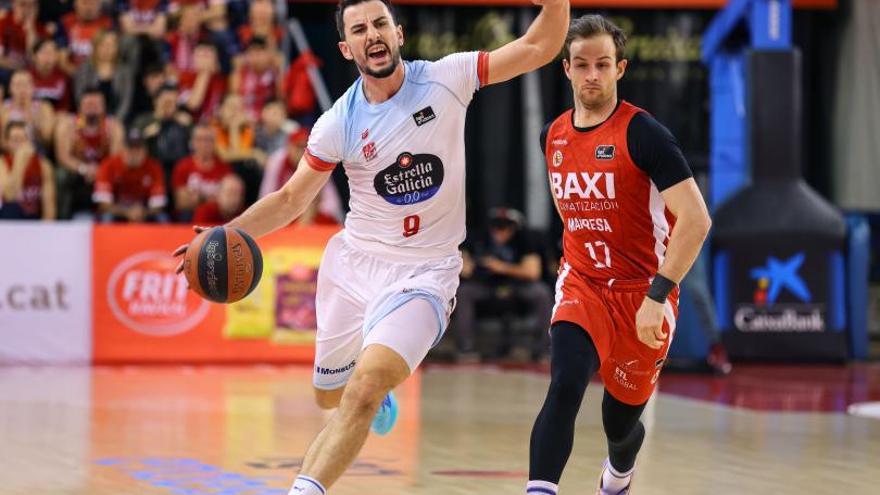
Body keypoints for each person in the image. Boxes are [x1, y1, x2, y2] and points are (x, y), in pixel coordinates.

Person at [173, 1, 570, 495]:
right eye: (359, 29)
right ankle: (374, 391)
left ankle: (308, 484)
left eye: (380, 24)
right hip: (355, 267)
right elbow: (292, 198)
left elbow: (538, 46)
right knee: (328, 397)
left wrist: (557, 3)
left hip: (425, 273)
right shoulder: (338, 121)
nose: (372, 35)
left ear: (399, 33)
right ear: (346, 47)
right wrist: (224, 234)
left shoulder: (447, 78)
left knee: (360, 392)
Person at [526, 15, 712, 495]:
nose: (592, 74)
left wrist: (659, 293)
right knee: (565, 383)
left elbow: (696, 220)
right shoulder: (552, 135)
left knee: (620, 421)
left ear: (620, 68)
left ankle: (619, 476)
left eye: (603, 64)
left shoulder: (645, 134)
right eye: (582, 64)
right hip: (583, 284)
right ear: (565, 68)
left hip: (643, 293)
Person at [450, 207, 553, 362]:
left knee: (541, 293)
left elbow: (533, 272)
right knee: (464, 292)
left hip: (517, 286)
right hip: (486, 285)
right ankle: (465, 349)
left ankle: (544, 350)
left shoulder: (524, 239)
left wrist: (500, 266)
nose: (501, 231)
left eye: (506, 227)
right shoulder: (479, 238)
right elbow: (463, 267)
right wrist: (476, 266)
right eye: (497, 226)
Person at [54, 88, 124, 218]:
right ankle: (61, 218)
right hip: (77, 171)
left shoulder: (113, 126)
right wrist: (84, 169)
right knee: (60, 175)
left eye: (96, 105)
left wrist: (100, 171)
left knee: (120, 173)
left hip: (104, 170)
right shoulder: (68, 125)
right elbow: (63, 156)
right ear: (80, 106)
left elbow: (116, 157)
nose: (92, 108)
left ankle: (113, 216)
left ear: (104, 106)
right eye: (88, 104)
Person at [93, 127, 168, 223]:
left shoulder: (154, 167)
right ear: (122, 149)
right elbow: (103, 204)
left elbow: (158, 204)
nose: (134, 153)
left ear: (145, 150)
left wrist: (143, 212)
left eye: (138, 148)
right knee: (106, 217)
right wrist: (127, 212)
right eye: (130, 148)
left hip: (143, 211)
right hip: (117, 211)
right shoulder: (108, 165)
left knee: (162, 218)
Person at [171, 123, 232, 221]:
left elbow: (229, 201)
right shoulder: (183, 166)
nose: (204, 144)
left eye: (208, 140)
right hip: (190, 217)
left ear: (214, 143)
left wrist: (198, 198)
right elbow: (181, 202)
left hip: (218, 217)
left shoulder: (224, 167)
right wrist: (211, 198)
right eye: (199, 139)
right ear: (192, 142)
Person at [0, 121, 55, 220]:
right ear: (7, 143)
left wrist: (46, 230)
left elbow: (49, 207)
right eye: (15, 140)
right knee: (13, 209)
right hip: (8, 219)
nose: (21, 144)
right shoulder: (2, 163)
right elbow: (10, 196)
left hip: (33, 220)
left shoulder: (43, 165)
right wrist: (20, 161)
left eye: (24, 139)